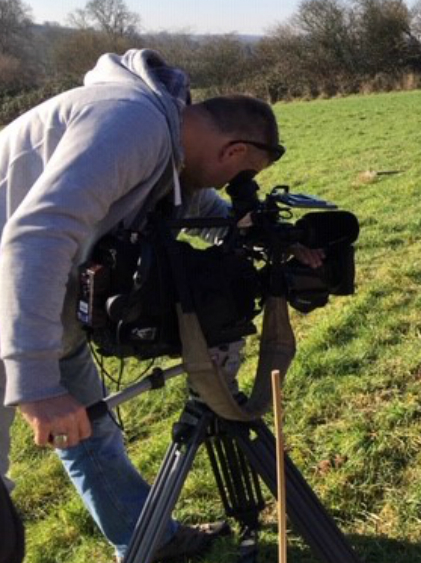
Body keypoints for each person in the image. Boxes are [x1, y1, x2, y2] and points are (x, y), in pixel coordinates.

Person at [0, 49, 296, 561]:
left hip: (43, 299)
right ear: (233, 149)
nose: (230, 186)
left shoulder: (160, 130)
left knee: (89, 431)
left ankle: (148, 540)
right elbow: (36, 235)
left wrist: (256, 231)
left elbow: (186, 199)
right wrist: (33, 381)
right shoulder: (132, 121)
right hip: (16, 291)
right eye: (239, 175)